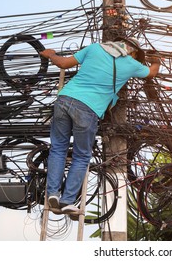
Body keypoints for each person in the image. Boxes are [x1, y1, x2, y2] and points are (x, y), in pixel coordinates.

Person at [40, 37, 160, 218]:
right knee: (81, 156)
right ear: (132, 51)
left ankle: (53, 194)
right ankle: (67, 200)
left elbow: (63, 63)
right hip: (88, 109)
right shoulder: (131, 64)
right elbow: (151, 73)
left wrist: (51, 54)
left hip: (64, 100)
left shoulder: (94, 48)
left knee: (58, 149)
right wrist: (157, 60)